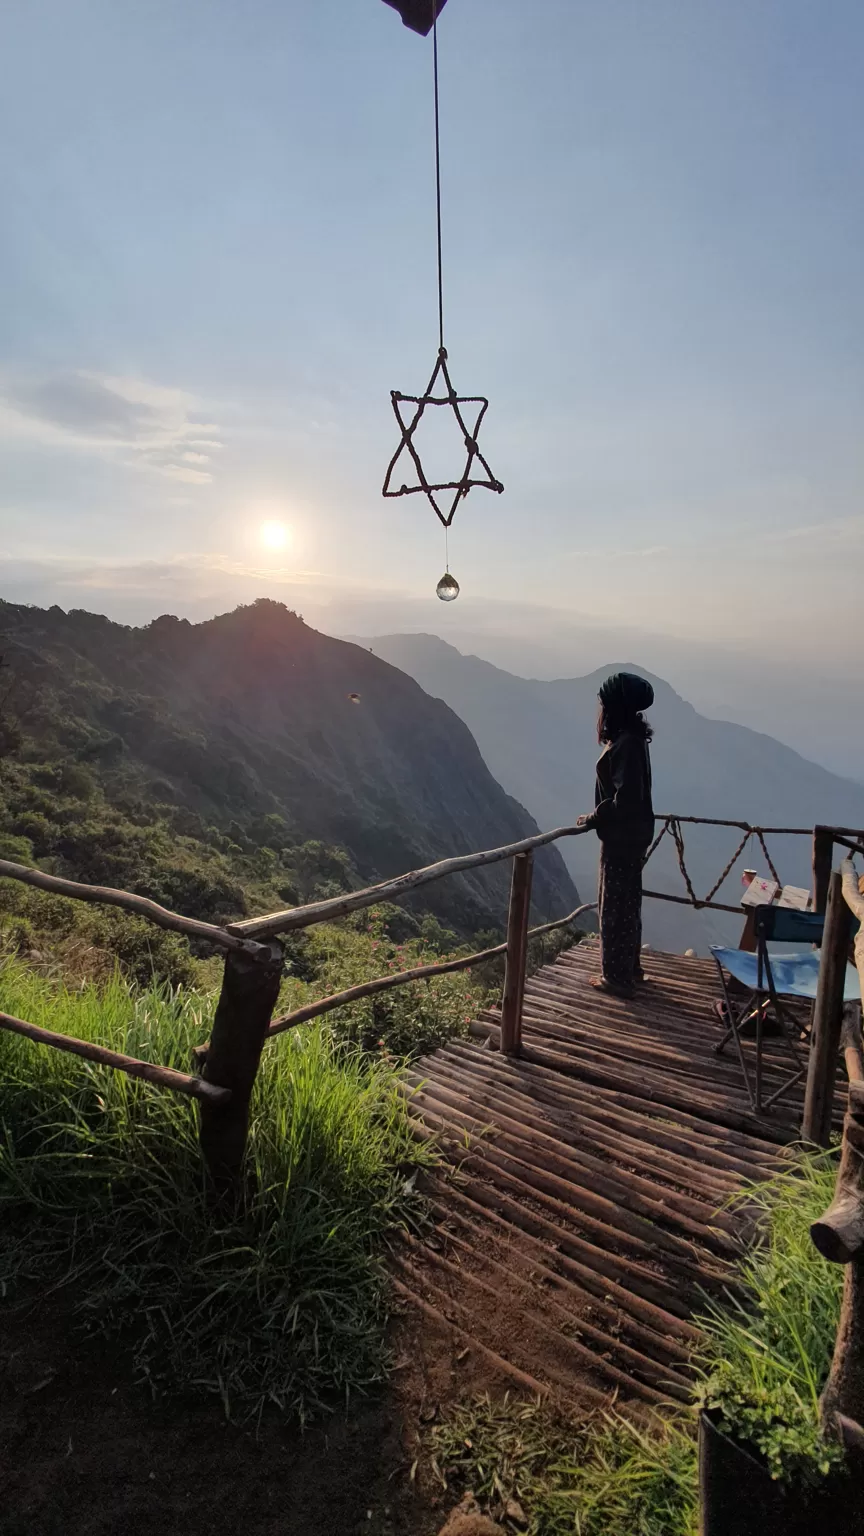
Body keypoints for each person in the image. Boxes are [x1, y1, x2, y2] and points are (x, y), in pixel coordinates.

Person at [578, 671, 655, 999]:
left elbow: (626, 799)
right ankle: (630, 969)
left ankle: (617, 978)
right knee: (628, 905)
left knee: (614, 908)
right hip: (633, 837)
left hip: (622, 839)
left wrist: (594, 817)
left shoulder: (625, 745)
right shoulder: (633, 740)